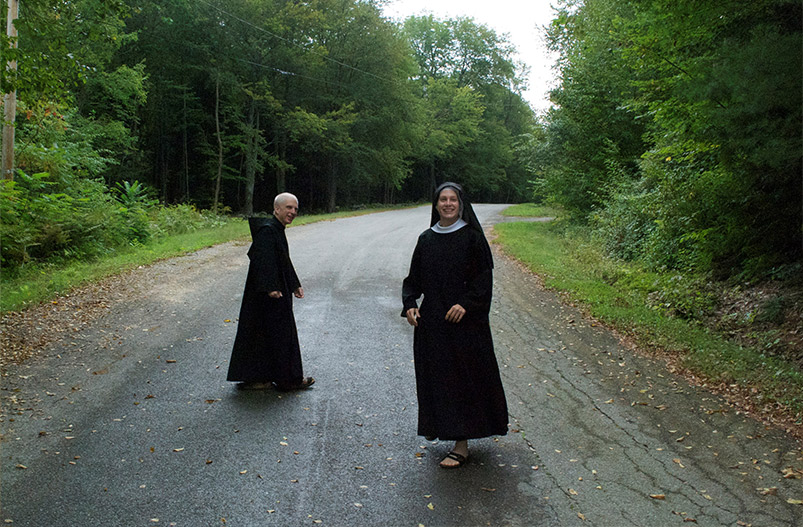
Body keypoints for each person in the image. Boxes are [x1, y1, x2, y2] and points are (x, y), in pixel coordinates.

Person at [402, 182, 508, 468]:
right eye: (442, 199)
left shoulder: (472, 238)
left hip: (465, 325)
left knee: (463, 380)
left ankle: (462, 444)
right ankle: (445, 429)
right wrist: (410, 303)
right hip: (434, 325)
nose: (448, 204)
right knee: (439, 380)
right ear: (436, 205)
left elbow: (483, 281)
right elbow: (413, 280)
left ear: (461, 204)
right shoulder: (426, 239)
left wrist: (466, 304)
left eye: (453, 200)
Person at [227, 192, 314, 391]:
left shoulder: (275, 229)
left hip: (273, 292)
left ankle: (260, 378)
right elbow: (261, 259)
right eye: (288, 208)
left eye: (295, 209)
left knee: (265, 334)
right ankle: (289, 380)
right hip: (269, 294)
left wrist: (294, 284)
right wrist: (271, 287)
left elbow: (283, 260)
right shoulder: (267, 230)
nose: (293, 212)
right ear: (277, 209)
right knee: (281, 334)